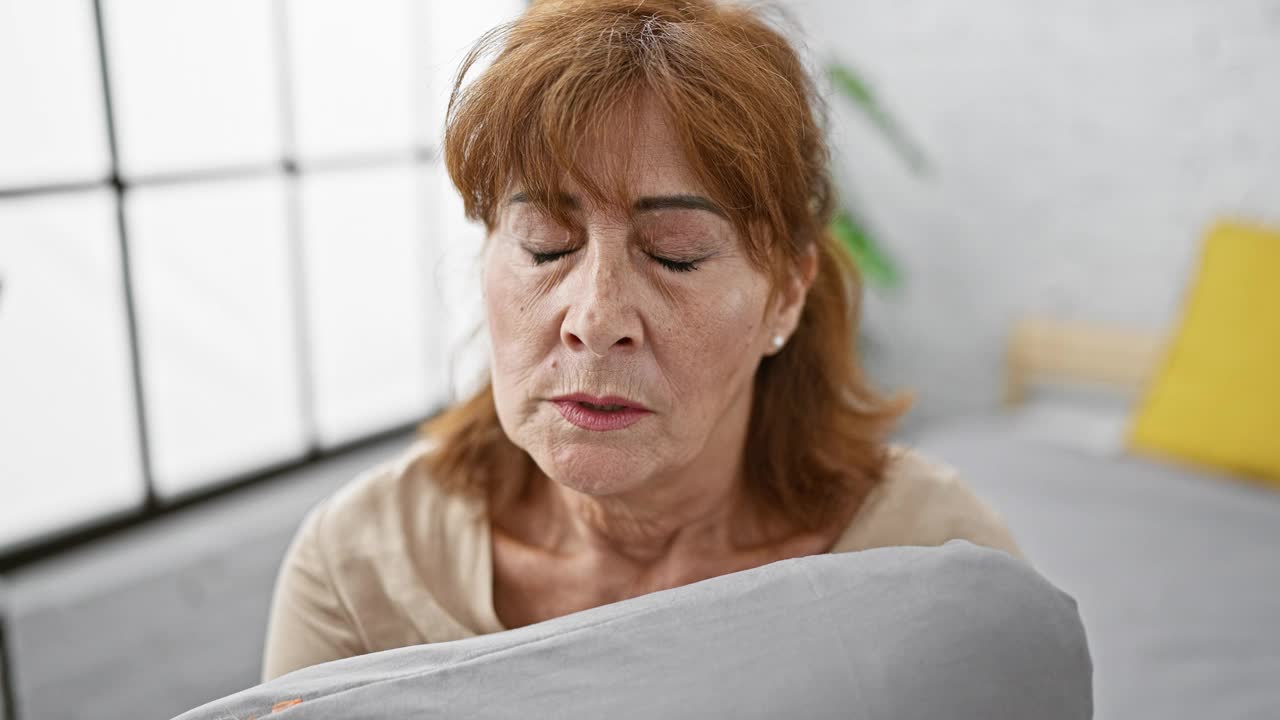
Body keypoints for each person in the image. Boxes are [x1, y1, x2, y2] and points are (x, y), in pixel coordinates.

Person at [261, 0, 1022, 683]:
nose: (593, 318)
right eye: (544, 243)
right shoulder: (363, 569)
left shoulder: (932, 561)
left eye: (676, 253)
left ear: (785, 293)